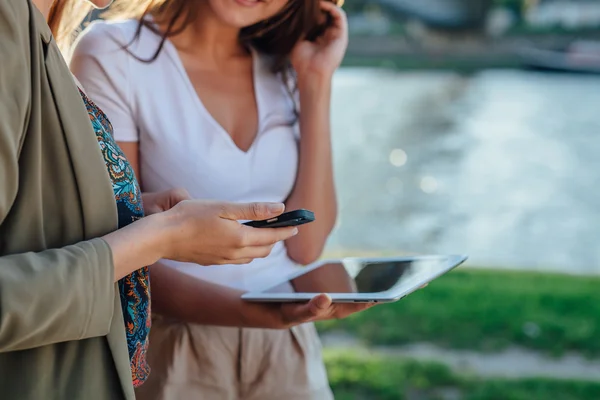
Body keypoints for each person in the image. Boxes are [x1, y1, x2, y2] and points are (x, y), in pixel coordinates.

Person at [0, 0, 371, 399]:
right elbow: (115, 231)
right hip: (173, 348)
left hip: (289, 349)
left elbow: (306, 244)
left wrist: (316, 80)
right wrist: (254, 310)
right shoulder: (113, 51)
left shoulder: (288, 65)